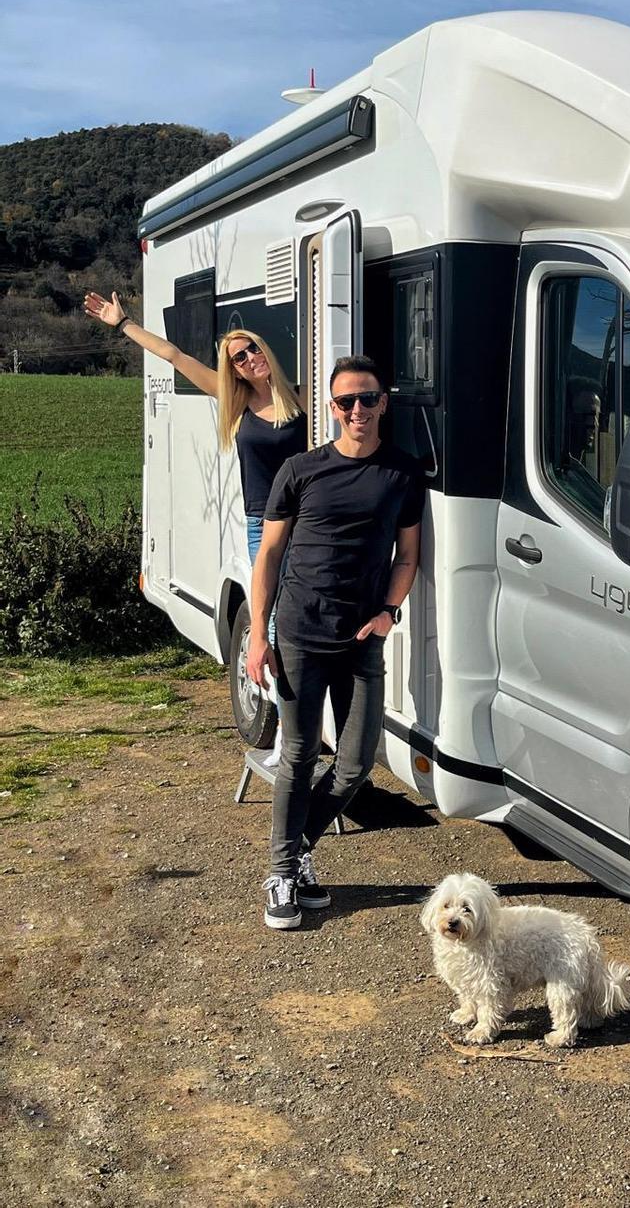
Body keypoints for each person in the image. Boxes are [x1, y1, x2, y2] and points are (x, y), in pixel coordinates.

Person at [246, 355, 423, 929]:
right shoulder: (301, 470)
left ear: (383, 403)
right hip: (300, 632)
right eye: (345, 402)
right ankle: (281, 874)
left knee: (353, 766)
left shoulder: (402, 472)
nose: (357, 411)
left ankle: (294, 855)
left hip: (361, 638)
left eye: (366, 399)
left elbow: (409, 555)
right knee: (298, 756)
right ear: (331, 408)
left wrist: (390, 612)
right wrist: (258, 635)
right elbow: (269, 556)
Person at [82, 291, 305, 567]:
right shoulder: (237, 402)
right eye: (239, 357)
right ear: (234, 370)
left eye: (253, 348)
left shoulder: (301, 397)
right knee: (271, 608)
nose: (250, 358)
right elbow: (175, 356)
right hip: (262, 521)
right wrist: (123, 323)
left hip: (303, 518)